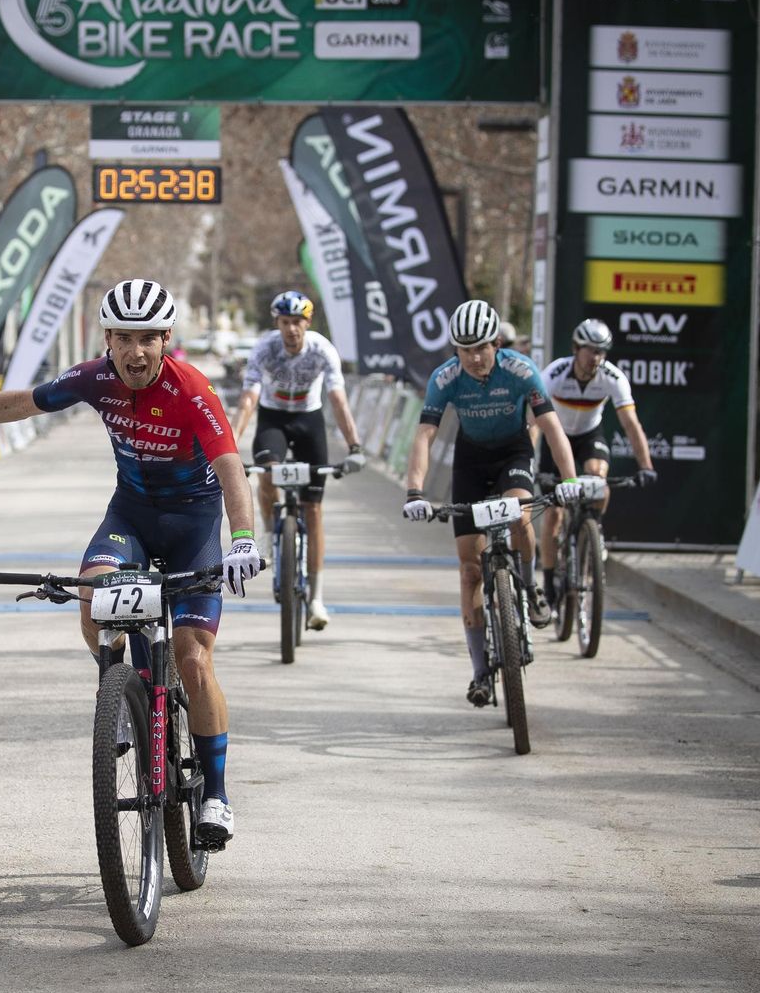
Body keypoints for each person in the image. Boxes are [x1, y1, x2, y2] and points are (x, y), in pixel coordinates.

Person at [0, 278, 258, 849]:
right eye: (123, 339)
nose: (135, 353)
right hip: (131, 516)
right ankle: (116, 688)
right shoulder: (95, 378)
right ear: (107, 338)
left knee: (193, 659)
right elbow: (19, 402)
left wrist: (241, 538)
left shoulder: (193, 392)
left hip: (194, 527)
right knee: (92, 594)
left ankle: (216, 794)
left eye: (147, 339)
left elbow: (231, 468)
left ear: (165, 338)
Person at [402, 300, 591, 707]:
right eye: (464, 348)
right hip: (470, 461)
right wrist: (415, 491)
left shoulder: (521, 370)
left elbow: (552, 428)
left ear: (497, 343)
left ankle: (530, 586)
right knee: (470, 569)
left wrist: (570, 479)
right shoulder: (447, 376)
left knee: (520, 513)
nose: (473, 357)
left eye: (481, 347)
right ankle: (480, 672)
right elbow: (424, 435)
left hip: (513, 455)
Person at [231, 290, 366, 630]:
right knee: (267, 472)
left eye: (298, 323)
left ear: (308, 323)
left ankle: (317, 598)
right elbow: (248, 399)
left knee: (313, 508)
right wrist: (229, 445)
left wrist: (354, 446)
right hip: (273, 418)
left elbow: (338, 400)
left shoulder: (322, 350)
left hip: (309, 420)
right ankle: (269, 533)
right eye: (285, 322)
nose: (292, 329)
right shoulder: (265, 348)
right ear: (277, 323)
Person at [536, 319, 658, 609]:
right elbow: (533, 423)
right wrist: (528, 461)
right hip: (557, 435)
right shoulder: (554, 373)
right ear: (576, 349)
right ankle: (550, 579)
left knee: (598, 479)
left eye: (602, 352)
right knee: (553, 513)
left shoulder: (611, 378)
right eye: (591, 351)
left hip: (590, 434)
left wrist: (646, 465)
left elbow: (631, 424)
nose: (596, 358)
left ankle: (592, 528)